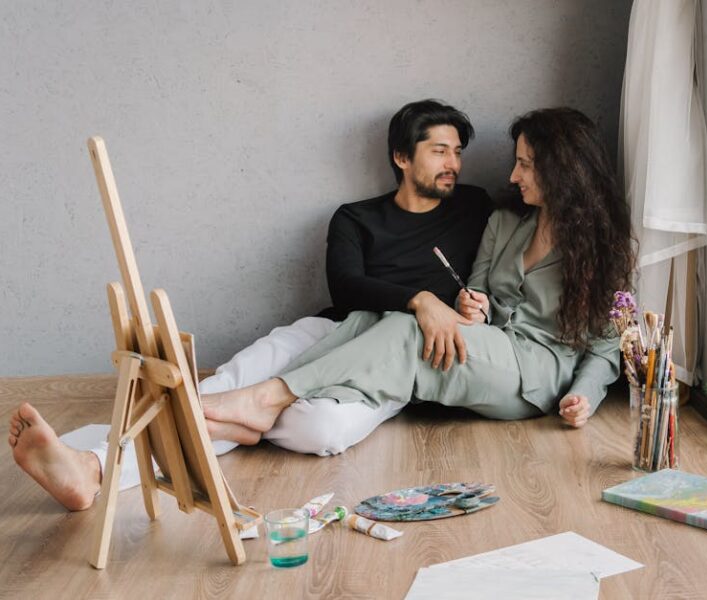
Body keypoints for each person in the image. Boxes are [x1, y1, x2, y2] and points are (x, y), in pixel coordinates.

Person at [8, 99, 492, 510]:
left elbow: (502, 276)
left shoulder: (474, 208)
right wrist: (420, 298)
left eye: (457, 152)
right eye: (440, 150)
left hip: (391, 358)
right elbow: (345, 287)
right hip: (331, 330)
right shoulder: (355, 217)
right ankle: (93, 466)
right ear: (402, 157)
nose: (454, 162)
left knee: (318, 429)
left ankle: (230, 420)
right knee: (229, 383)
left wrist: (476, 307)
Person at [201, 106, 636, 445]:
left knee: (409, 332)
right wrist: (475, 306)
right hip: (489, 345)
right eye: (516, 162)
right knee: (375, 320)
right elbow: (478, 290)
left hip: (536, 376)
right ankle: (250, 414)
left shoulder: (599, 245)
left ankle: (266, 398)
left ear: (561, 169)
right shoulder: (505, 222)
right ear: (402, 157)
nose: (512, 175)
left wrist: (584, 397)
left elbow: (605, 345)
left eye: (525, 164)